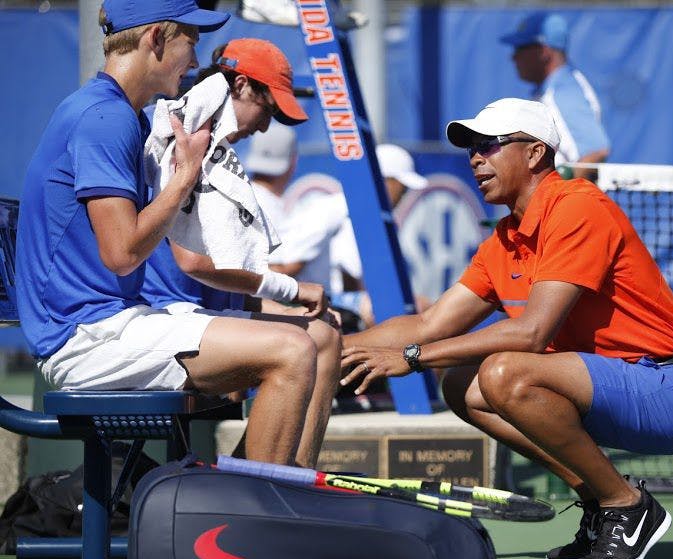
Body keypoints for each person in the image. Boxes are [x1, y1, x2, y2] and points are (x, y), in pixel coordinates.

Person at [340, 98, 673, 559]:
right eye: (471, 149)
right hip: (606, 387)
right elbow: (429, 324)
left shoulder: (578, 206)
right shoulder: (504, 240)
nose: (475, 158)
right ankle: (601, 502)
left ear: (536, 153)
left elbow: (532, 332)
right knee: (462, 384)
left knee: (504, 371)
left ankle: (627, 504)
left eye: (489, 145)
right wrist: (330, 351)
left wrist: (413, 359)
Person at [15, 1, 324, 467]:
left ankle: (239, 501)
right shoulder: (104, 118)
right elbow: (122, 254)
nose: (197, 62)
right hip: (84, 339)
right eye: (191, 42)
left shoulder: (123, 115)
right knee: (294, 349)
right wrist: (185, 176)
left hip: (114, 323)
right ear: (156, 38)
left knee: (314, 339)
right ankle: (245, 523)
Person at [141, 38, 342, 467]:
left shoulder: (211, 143)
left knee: (324, 332)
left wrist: (284, 301)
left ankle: (280, 480)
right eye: (267, 109)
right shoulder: (189, 138)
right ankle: (263, 492)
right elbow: (190, 262)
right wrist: (287, 288)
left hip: (197, 310)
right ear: (244, 86)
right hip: (167, 317)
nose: (266, 127)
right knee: (302, 345)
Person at [245, 135, 428, 328]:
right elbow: (288, 265)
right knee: (404, 309)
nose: (404, 194)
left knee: (417, 307)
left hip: (329, 298)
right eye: (403, 187)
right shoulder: (335, 208)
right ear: (385, 181)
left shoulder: (362, 212)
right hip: (308, 298)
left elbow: (351, 276)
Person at [500, 12, 609, 180]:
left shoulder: (562, 92)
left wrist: (555, 200)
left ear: (543, 52)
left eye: (521, 48)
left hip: (570, 204)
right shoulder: (552, 89)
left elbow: (596, 152)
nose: (513, 56)